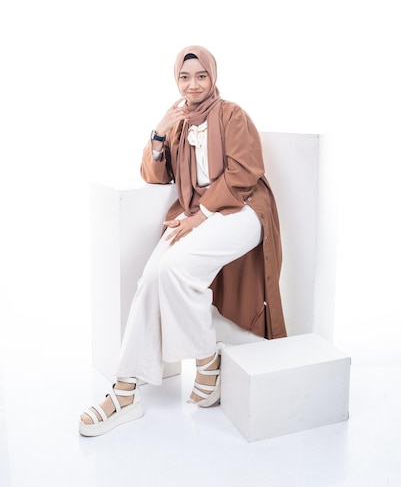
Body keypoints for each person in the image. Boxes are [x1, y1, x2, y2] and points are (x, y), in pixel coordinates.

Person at [79, 45, 287, 436]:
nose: (193, 85)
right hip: (197, 215)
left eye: (201, 76)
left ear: (213, 78)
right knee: (153, 277)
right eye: (185, 77)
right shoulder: (178, 124)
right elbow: (155, 176)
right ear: (177, 81)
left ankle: (207, 362)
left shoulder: (232, 114)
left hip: (242, 209)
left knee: (175, 269)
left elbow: (245, 174)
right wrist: (159, 130)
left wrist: (199, 217)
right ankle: (125, 390)